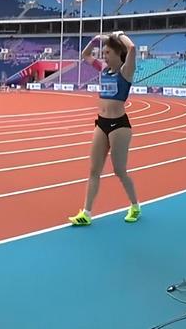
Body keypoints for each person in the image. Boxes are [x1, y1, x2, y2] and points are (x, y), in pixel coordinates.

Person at [68, 31, 140, 226]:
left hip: (119, 126)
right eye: (103, 53)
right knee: (94, 170)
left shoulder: (126, 72)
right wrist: (95, 40)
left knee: (119, 171)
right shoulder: (103, 69)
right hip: (102, 123)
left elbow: (132, 48)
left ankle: (135, 205)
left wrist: (119, 35)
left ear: (118, 54)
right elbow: (85, 54)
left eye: (108, 53)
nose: (104, 56)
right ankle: (86, 213)